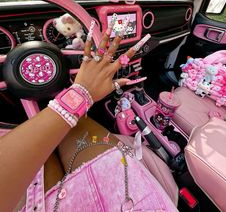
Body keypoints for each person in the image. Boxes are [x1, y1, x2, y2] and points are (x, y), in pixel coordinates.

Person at [0, 15, 178, 212]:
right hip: (133, 201)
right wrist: (80, 94)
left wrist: (79, 93)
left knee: (42, 144)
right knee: (68, 130)